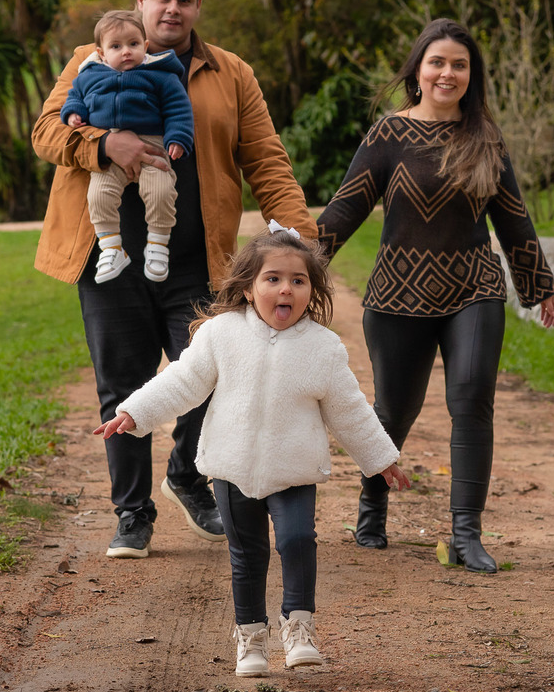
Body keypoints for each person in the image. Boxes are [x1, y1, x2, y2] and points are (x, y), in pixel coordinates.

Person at [31, 0, 317, 560]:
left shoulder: (230, 73)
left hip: (195, 259)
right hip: (106, 257)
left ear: (197, 7)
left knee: (212, 375)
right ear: (140, 0)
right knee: (123, 388)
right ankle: (132, 513)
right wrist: (106, 143)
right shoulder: (89, 59)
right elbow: (47, 132)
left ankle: (185, 475)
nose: (172, 8)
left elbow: (265, 156)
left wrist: (299, 235)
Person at [96, 224, 412, 678]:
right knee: (247, 556)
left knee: (298, 541)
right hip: (232, 466)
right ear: (248, 288)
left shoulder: (323, 348)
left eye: (298, 281)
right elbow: (182, 381)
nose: (286, 288)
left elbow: (351, 410)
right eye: (273, 278)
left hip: (295, 469)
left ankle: (299, 629)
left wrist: (381, 458)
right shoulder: (220, 335)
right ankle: (251, 638)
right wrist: (135, 411)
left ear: (311, 290)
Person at [316, 18, 554, 574]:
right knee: (394, 410)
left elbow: (514, 218)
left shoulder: (486, 139)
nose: (448, 73)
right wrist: (289, 272)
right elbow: (346, 208)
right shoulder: (388, 135)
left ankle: (465, 533)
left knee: (472, 397)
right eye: (438, 62)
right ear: (418, 71)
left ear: (471, 76)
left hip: (473, 286)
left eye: (460, 64)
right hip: (397, 292)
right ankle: (372, 504)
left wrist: (537, 284)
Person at [61, 10, 195, 284]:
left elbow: (178, 109)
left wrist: (178, 138)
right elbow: (74, 96)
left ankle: (157, 245)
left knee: (160, 190)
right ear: (101, 52)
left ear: (145, 46)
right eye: (116, 46)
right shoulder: (89, 75)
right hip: (106, 147)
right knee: (98, 195)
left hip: (153, 145)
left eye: (133, 44)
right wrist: (73, 112)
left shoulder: (160, 75)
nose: (126, 52)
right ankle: (111, 248)